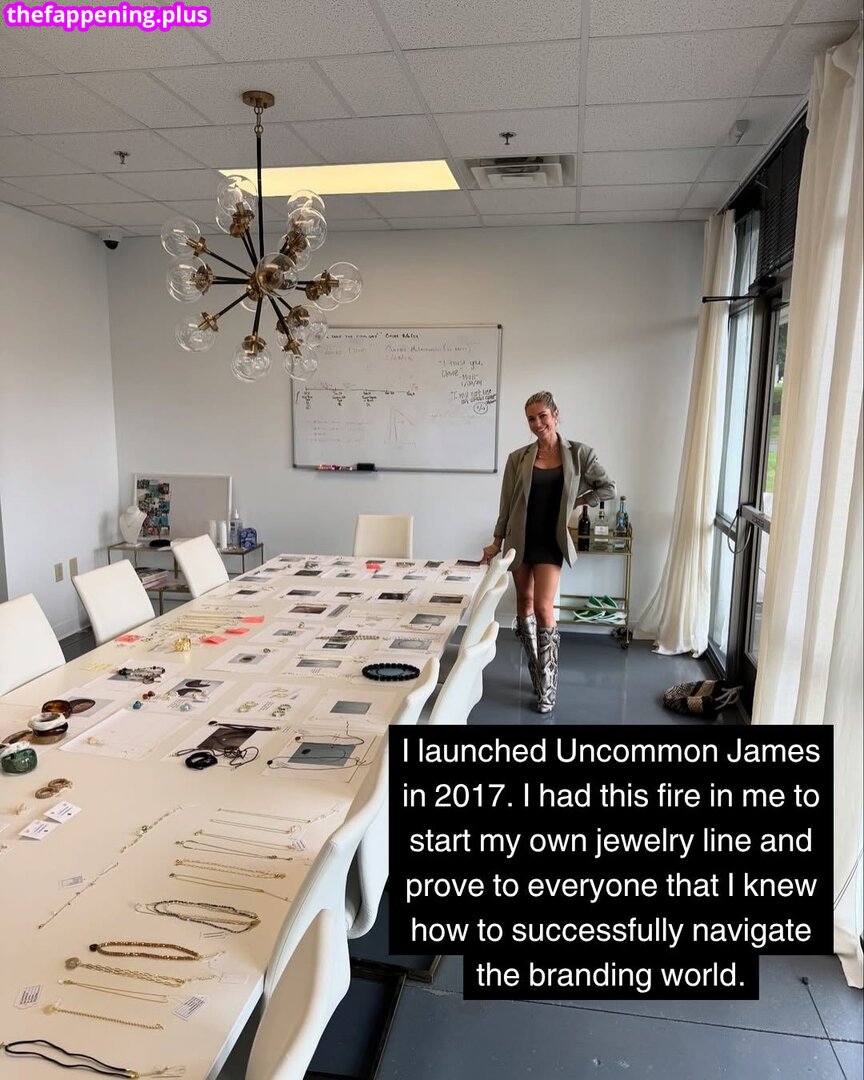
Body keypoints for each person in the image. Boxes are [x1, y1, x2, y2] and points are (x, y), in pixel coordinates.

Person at [482, 391, 615, 713]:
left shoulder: (579, 453)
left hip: (550, 541)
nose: (537, 423)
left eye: (542, 415)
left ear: (555, 415)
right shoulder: (518, 458)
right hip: (520, 539)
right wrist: (497, 542)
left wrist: (577, 501)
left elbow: (607, 488)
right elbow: (506, 505)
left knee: (544, 607)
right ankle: (537, 672)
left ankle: (549, 684)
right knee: (524, 606)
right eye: (531, 418)